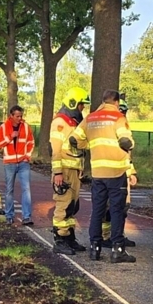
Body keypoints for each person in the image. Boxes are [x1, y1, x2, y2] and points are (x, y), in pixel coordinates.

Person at [71, 90, 135, 263]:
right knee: (116, 211)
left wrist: (88, 144)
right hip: (116, 172)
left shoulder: (90, 118)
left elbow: (74, 140)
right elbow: (125, 141)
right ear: (116, 102)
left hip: (98, 173)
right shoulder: (118, 118)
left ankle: (95, 249)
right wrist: (129, 147)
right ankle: (117, 250)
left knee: (97, 211)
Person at [50, 88, 90, 254]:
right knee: (63, 204)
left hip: (74, 170)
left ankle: (69, 238)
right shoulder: (60, 122)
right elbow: (56, 150)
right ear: (73, 103)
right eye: (81, 105)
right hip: (65, 171)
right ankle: (59, 240)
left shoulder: (73, 123)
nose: (82, 108)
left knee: (73, 206)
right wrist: (58, 172)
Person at [103, 96, 137, 248]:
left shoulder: (125, 128)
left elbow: (128, 155)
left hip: (124, 173)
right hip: (111, 174)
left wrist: (132, 172)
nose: (123, 114)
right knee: (109, 208)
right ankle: (106, 236)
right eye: (121, 111)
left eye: (124, 111)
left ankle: (119, 235)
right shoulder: (109, 129)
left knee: (123, 207)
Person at [0, 105, 35, 226]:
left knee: (26, 189)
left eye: (21, 116)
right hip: (9, 163)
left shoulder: (26, 127)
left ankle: (26, 217)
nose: (19, 118)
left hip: (23, 163)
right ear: (11, 116)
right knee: (9, 190)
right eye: (17, 116)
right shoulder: (3, 127)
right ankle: (9, 215)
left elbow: (31, 142)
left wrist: (27, 156)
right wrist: (9, 137)